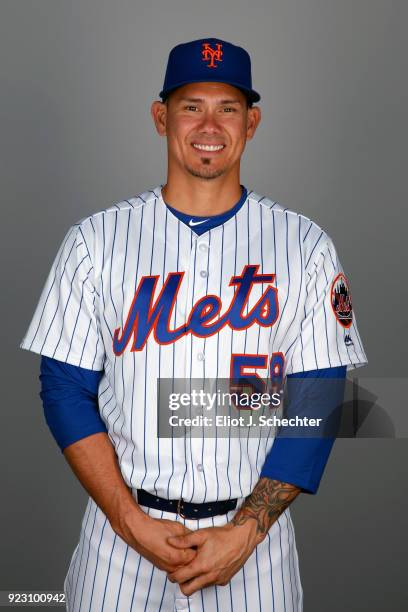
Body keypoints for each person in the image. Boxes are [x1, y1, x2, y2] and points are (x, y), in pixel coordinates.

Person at [20, 38, 368, 611]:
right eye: (191, 105)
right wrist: (128, 520)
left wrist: (247, 530)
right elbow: (64, 389)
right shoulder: (95, 242)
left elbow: (320, 396)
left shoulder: (305, 247)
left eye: (227, 107)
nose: (210, 124)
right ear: (161, 117)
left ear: (251, 122)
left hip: (253, 548)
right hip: (122, 541)